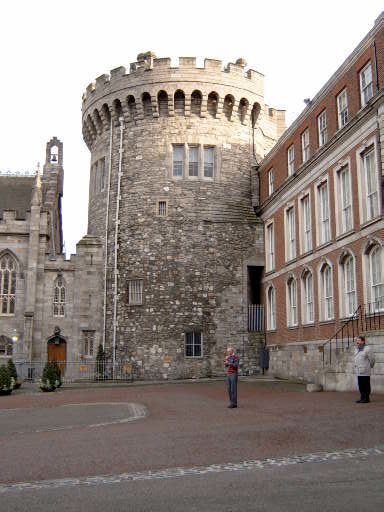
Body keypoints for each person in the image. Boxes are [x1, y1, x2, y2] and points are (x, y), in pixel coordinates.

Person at [354, 335, 375, 403]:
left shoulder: (367, 349)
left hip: (365, 370)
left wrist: (370, 366)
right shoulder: (356, 349)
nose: (357, 342)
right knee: (360, 385)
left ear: (363, 341)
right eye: (357, 341)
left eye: (359, 341)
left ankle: (366, 398)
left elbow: (372, 359)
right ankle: (362, 397)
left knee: (366, 385)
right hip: (358, 370)